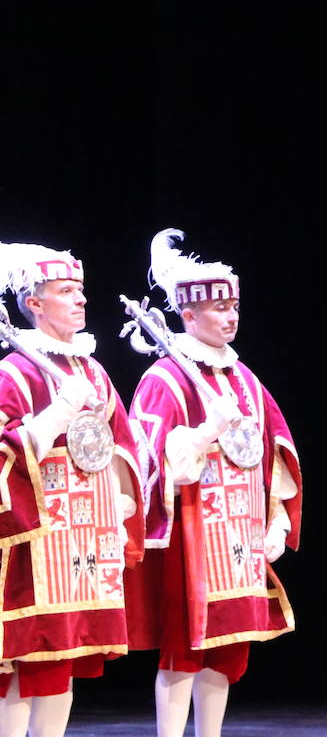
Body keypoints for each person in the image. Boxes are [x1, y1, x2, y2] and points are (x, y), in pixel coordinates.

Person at [123, 229, 302, 737]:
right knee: (186, 646)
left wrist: (277, 518)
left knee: (227, 650)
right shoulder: (165, 379)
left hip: (240, 534)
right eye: (218, 308)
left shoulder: (246, 380)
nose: (230, 317)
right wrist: (206, 432)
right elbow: (152, 462)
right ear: (187, 315)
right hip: (193, 534)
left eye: (234, 307)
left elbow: (275, 454)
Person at [0, 242, 144, 737]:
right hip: (36, 542)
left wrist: (122, 506)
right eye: (66, 292)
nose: (81, 300)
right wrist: (59, 409)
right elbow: (4, 456)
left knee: (65, 658)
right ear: (34, 303)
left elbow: (122, 445)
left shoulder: (94, 372)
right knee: (25, 661)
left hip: (87, 538)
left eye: (81, 291)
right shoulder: (12, 373)